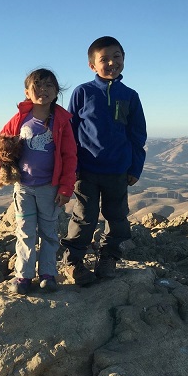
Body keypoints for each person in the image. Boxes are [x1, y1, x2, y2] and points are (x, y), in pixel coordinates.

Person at [61, 36, 147, 286]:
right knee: (84, 217)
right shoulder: (83, 92)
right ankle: (74, 262)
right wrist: (72, 167)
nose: (112, 62)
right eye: (104, 59)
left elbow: (137, 134)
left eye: (116, 56)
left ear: (123, 58)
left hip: (118, 170)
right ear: (92, 66)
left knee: (117, 216)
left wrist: (135, 167)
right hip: (86, 171)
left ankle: (108, 257)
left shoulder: (130, 96)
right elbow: (70, 132)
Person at [0, 68, 77, 295]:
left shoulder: (61, 121)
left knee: (49, 232)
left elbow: (70, 156)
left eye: (49, 86)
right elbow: (0, 146)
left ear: (57, 91)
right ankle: (24, 275)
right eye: (37, 86)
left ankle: (48, 274)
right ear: (27, 92)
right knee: (26, 232)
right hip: (24, 188)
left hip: (50, 188)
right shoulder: (20, 119)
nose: (43, 90)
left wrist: (67, 187)